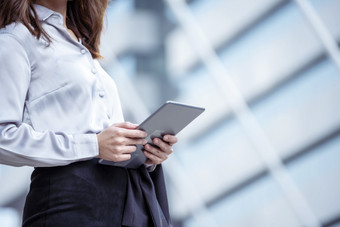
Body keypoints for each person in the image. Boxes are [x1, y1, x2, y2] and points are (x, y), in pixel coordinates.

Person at [0, 0, 178, 226]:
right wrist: (93, 145)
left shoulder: (82, 46)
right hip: (68, 202)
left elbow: (106, 140)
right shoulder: (14, 39)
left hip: (124, 203)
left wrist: (145, 151)